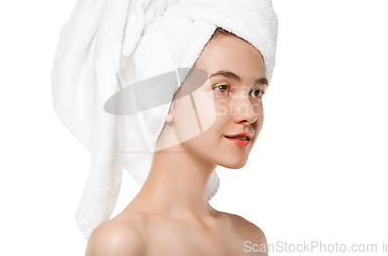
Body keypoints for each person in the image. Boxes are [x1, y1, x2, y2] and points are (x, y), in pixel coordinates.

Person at [85, 27, 269, 255]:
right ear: (166, 99)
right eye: (222, 88)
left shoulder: (249, 239)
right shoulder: (122, 242)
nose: (250, 113)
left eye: (256, 92)